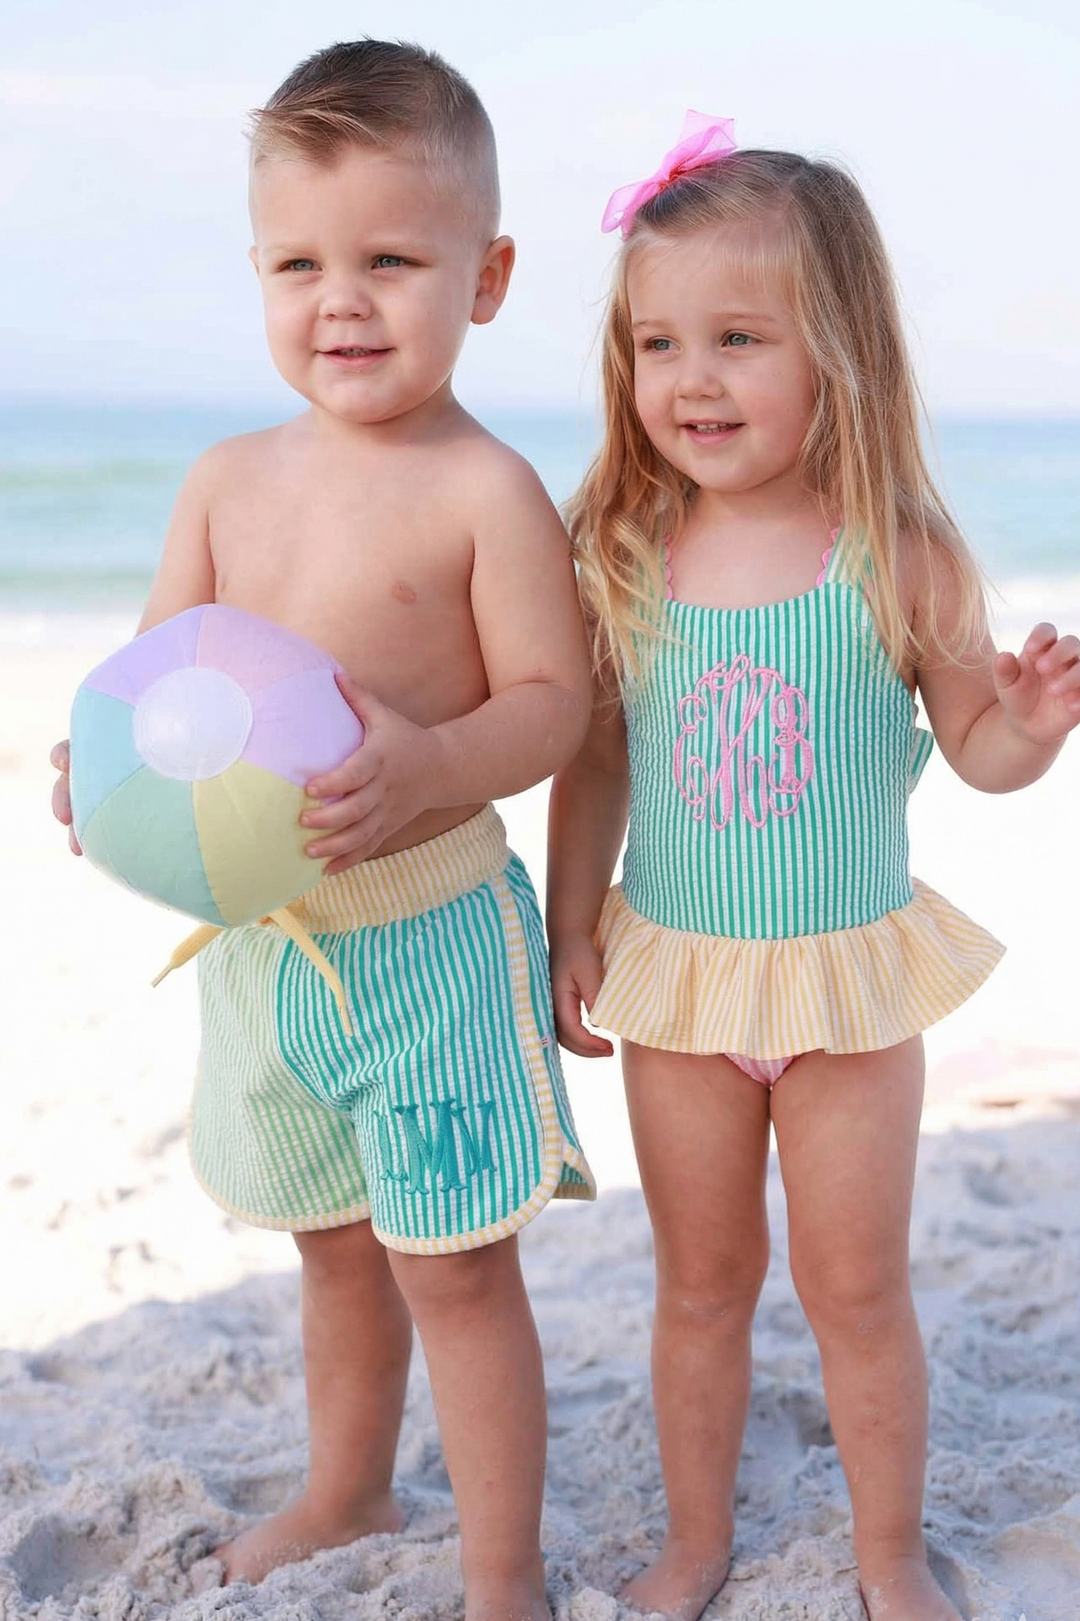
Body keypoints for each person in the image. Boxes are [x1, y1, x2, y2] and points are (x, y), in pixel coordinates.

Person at [50, 40, 595, 1621]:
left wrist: (432, 764)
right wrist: (102, 770)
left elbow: (555, 705)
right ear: (258, 274)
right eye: (301, 262)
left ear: (485, 280)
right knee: (331, 1244)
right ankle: (350, 1484)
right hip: (264, 946)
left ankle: (503, 1574)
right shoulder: (226, 482)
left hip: (427, 928)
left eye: (391, 260)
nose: (341, 300)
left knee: (453, 1264)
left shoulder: (486, 491)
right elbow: (151, 684)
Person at [548, 113, 1080, 1621]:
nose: (692, 380)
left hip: (850, 985)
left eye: (737, 339)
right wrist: (574, 920)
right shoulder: (626, 554)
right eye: (659, 344)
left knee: (857, 1292)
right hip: (684, 980)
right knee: (701, 1292)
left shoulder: (893, 550)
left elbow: (972, 746)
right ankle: (697, 1542)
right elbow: (595, 755)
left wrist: (1031, 725)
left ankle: (889, 1555)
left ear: (836, 350)